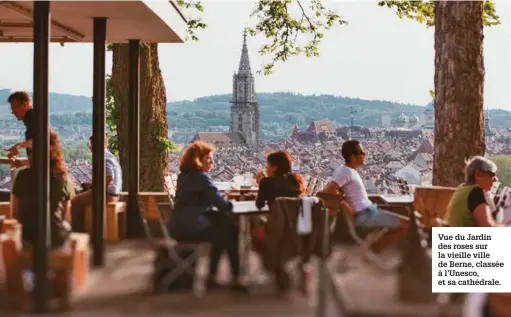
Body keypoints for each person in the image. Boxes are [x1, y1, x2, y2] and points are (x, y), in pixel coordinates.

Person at [168, 141, 247, 292]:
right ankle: (235, 277)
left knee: (224, 228)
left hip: (177, 226)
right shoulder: (200, 178)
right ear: (198, 159)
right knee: (230, 231)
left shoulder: (184, 176)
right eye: (209, 158)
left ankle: (214, 276)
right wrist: (230, 204)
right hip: (190, 228)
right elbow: (218, 201)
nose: (213, 162)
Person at [323, 140, 408, 252]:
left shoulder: (348, 170)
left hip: (369, 212)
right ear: (353, 157)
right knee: (408, 225)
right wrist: (345, 205)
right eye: (362, 152)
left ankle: (374, 249)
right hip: (365, 215)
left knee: (404, 223)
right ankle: (374, 249)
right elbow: (327, 191)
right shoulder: (346, 172)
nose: (365, 154)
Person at [252, 150, 307, 293]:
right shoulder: (296, 180)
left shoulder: (266, 182)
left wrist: (261, 185)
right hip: (298, 229)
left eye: (268, 165)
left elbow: (259, 205)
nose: (266, 168)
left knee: (255, 232)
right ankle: (281, 266)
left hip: (276, 230)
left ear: (274, 167)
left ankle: (272, 266)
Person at [11, 130, 75, 249]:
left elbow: (14, 212)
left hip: (27, 236)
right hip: (54, 237)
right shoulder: (62, 177)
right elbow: (66, 214)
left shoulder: (22, 176)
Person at [71, 135, 122, 231]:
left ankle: (77, 232)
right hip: (113, 193)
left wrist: (96, 189)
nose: (90, 147)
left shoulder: (104, 158)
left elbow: (109, 177)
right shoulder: (109, 156)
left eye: (91, 144)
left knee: (73, 202)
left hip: (108, 195)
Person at [444, 156, 508, 228]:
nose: (495, 179)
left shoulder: (462, 188)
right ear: (478, 174)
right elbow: (487, 226)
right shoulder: (476, 192)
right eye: (492, 174)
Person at [6, 91, 34, 159]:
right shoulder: (31, 118)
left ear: (25, 104)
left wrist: (19, 146)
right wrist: (21, 163)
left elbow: (40, 141)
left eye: (14, 107)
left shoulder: (32, 117)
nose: (12, 111)